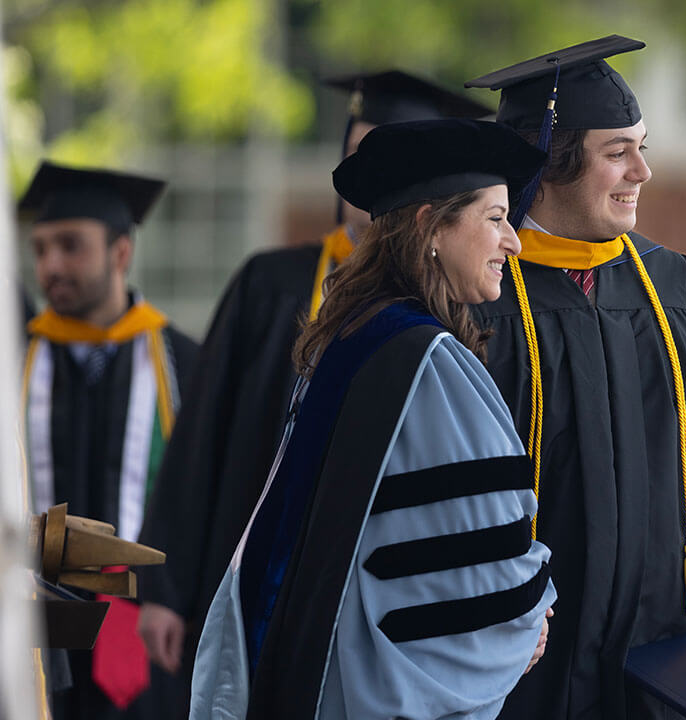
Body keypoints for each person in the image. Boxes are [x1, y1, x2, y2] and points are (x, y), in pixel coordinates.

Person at [133, 71, 492, 709]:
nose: (372, 166)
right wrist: (167, 586)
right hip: (252, 571)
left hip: (371, 608)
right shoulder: (272, 284)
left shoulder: (453, 318)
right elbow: (202, 437)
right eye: (357, 152)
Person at [464, 35, 686, 718]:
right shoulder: (479, 299)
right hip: (520, 659)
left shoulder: (677, 287)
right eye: (617, 152)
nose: (642, 171)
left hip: (663, 655)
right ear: (548, 162)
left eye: (643, 147)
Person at [188, 118, 554, 720]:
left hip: (328, 673)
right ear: (430, 225)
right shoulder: (429, 366)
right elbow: (484, 560)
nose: (513, 241)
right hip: (384, 696)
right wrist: (522, 618)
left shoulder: (352, 339)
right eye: (494, 219)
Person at [19, 161, 199, 720]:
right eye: (42, 248)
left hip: (149, 632)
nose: (51, 265)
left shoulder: (186, 366)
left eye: (70, 245)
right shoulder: (13, 368)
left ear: (121, 253)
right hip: (35, 630)